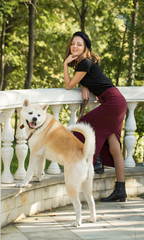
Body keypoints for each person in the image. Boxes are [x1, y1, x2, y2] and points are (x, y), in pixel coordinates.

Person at [63, 31, 127, 202]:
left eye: (79, 44)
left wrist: (64, 64)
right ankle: (121, 189)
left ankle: (96, 160)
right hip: (118, 101)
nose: (75, 46)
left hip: (112, 102)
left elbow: (69, 85)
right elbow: (91, 81)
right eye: (73, 43)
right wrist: (85, 87)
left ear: (85, 48)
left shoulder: (83, 62)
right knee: (114, 147)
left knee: (82, 125)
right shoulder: (85, 64)